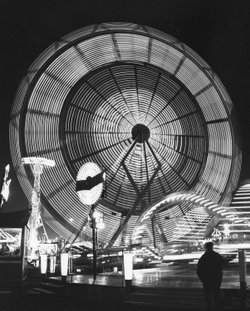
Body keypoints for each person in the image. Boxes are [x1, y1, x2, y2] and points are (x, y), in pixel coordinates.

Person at [197, 241, 224, 311]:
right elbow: (222, 264)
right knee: (216, 294)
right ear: (212, 247)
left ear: (205, 248)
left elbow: (199, 270)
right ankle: (217, 307)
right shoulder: (217, 255)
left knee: (208, 296)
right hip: (216, 278)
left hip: (207, 280)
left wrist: (203, 279)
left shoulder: (203, 257)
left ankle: (209, 308)